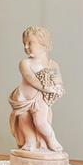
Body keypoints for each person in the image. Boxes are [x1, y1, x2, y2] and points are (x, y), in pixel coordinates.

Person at [8, 25, 64, 155]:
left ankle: (51, 139)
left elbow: (58, 82)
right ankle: (30, 141)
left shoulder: (52, 65)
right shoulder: (25, 63)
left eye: (30, 43)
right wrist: (48, 88)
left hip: (40, 100)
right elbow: (31, 79)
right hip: (23, 98)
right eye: (24, 43)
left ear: (43, 44)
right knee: (24, 120)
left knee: (40, 122)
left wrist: (58, 89)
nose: (25, 46)